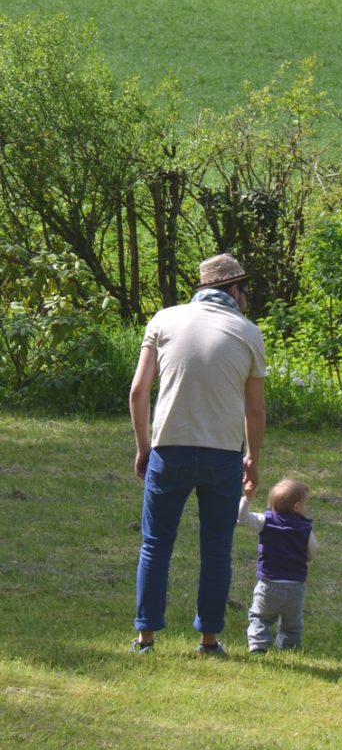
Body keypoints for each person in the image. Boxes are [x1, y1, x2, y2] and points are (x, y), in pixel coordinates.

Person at [129, 253, 266, 656]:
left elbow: (139, 391)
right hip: (222, 455)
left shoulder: (164, 319)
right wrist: (253, 460)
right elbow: (254, 409)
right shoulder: (248, 332)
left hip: (168, 449)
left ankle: (146, 638)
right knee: (216, 548)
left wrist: (143, 447)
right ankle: (208, 640)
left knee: (155, 544)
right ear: (232, 290)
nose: (246, 297)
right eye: (244, 289)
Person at [237, 477, 318, 653]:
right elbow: (313, 551)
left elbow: (241, 519)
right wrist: (304, 559)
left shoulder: (265, 521)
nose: (306, 508)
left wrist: (247, 498)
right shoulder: (305, 529)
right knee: (292, 623)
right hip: (295, 587)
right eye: (305, 504)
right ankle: (289, 649)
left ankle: (258, 646)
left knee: (260, 617)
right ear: (296, 507)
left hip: (268, 584)